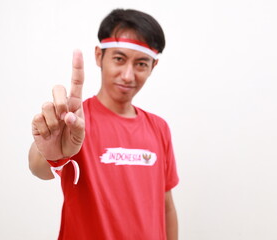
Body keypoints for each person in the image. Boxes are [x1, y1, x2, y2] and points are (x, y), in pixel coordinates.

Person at [29, 8, 179, 240]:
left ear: (153, 66)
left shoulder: (159, 128)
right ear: (99, 56)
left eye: (141, 63)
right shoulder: (74, 123)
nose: (128, 75)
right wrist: (51, 152)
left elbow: (166, 205)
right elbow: (38, 168)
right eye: (119, 59)